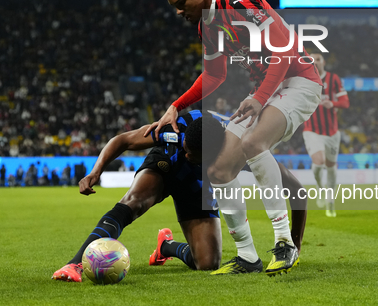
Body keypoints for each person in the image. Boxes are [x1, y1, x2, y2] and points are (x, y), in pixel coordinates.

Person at [147, 0, 322, 276]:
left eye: (181, 3)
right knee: (218, 168)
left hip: (299, 81)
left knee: (254, 142)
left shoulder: (240, 4)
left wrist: (258, 97)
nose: (178, 12)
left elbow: (282, 52)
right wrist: (177, 105)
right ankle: (247, 257)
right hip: (265, 91)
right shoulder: (208, 27)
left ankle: (285, 244)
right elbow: (216, 74)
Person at [52, 111, 307, 282]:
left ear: (212, 154)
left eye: (192, 154)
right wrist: (95, 172)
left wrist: (294, 244)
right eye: (186, 149)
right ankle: (74, 264)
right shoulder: (176, 130)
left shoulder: (242, 149)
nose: (188, 154)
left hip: (198, 184)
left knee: (207, 262)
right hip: (166, 164)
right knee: (133, 202)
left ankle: (166, 246)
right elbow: (122, 140)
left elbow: (296, 189)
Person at [302, 53, 349, 217]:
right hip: (311, 130)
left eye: (318, 59)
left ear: (324, 62)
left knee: (331, 169)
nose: (315, 61)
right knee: (319, 161)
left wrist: (333, 103)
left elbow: (345, 102)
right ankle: (320, 188)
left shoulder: (333, 79)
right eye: (311, 59)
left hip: (332, 133)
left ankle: (330, 202)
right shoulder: (304, 79)